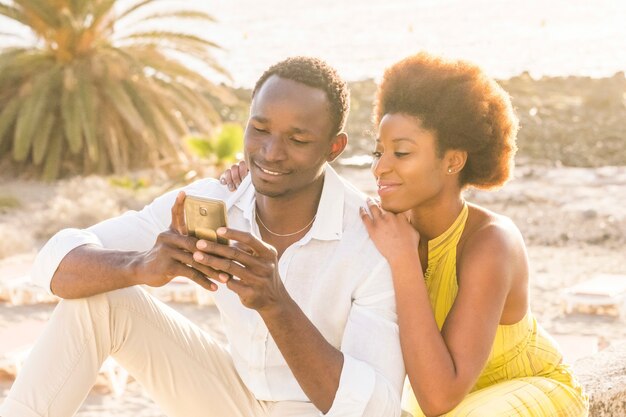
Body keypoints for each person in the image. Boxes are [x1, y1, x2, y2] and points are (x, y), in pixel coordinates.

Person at [0, 57, 405, 417]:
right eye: (260, 129)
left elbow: (375, 408)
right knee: (102, 299)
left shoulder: (371, 238)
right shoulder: (212, 200)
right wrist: (140, 266)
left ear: (334, 147)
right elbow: (53, 263)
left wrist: (276, 304)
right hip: (231, 398)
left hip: (317, 410)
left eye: (297, 140)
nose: (271, 152)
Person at [222, 53, 589, 417]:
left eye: (402, 152)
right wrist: (255, 179)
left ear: (453, 160)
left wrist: (403, 260)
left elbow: (439, 397)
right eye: (379, 151)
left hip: (527, 390)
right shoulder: (383, 224)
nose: (381, 168)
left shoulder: (492, 243)